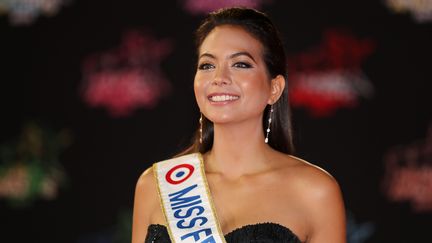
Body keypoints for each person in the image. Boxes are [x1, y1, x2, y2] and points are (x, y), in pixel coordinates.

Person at [132, 7, 346, 243]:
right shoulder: (156, 185)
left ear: (274, 89)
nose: (219, 77)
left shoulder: (314, 192)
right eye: (207, 65)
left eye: (241, 64)